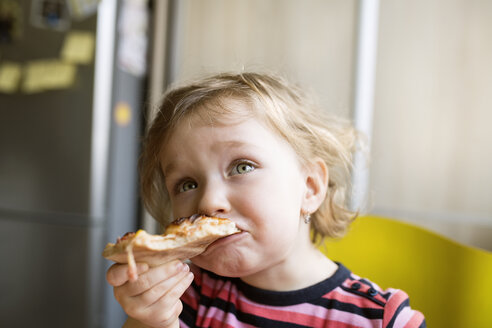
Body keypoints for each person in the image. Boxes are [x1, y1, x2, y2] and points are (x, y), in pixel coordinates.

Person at [106, 72, 426, 328]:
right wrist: (148, 320)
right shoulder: (185, 298)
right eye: (187, 184)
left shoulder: (381, 319)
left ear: (310, 188)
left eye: (242, 167)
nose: (208, 202)